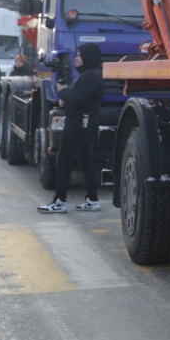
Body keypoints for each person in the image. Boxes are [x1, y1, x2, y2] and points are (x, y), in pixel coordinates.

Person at [39, 43, 104, 213]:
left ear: (87, 58)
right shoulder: (92, 75)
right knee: (87, 162)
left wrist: (62, 92)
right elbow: (80, 100)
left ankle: (59, 201)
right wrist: (68, 98)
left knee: (63, 160)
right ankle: (92, 199)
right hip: (86, 124)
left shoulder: (89, 77)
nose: (76, 58)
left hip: (78, 125)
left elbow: (78, 101)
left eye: (80, 55)